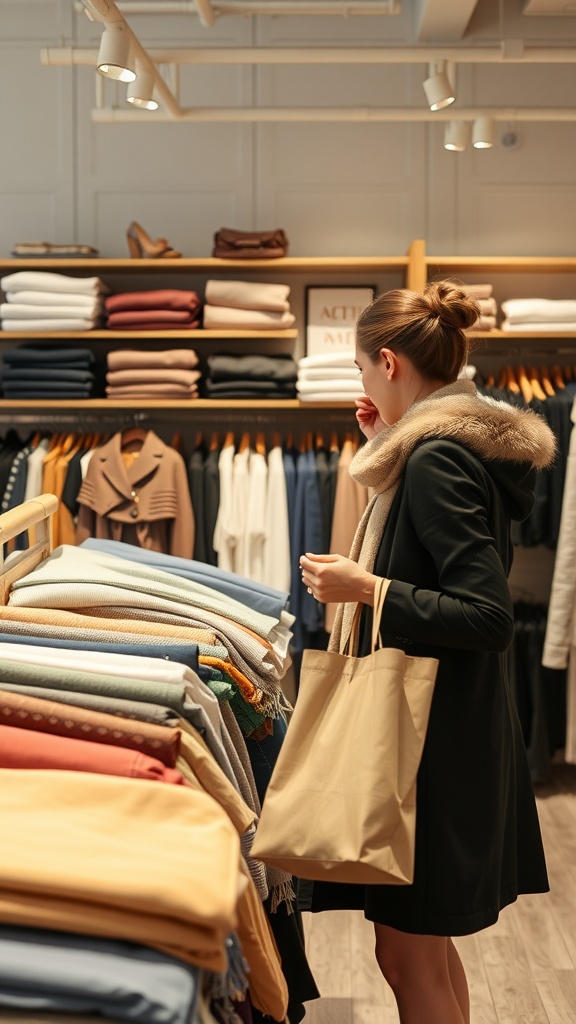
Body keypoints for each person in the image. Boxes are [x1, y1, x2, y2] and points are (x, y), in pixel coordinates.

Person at [299, 281, 554, 1024]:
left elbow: (486, 615)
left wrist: (366, 588)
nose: (361, 383)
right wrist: (383, 439)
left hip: (432, 747)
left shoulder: (438, 460)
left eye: (359, 370)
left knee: (408, 955)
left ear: (386, 360)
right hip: (440, 734)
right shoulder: (450, 447)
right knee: (427, 951)